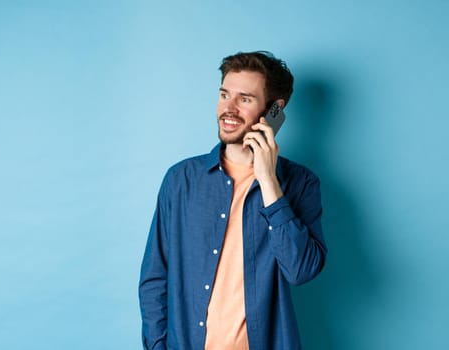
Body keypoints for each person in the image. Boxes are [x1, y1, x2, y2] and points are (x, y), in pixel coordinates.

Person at [139, 51, 327, 350]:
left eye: (245, 99)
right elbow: (154, 277)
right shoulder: (181, 180)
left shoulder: (300, 183)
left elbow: (301, 270)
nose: (229, 108)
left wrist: (268, 180)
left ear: (274, 111)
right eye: (225, 94)